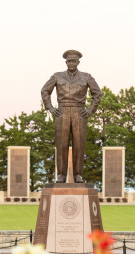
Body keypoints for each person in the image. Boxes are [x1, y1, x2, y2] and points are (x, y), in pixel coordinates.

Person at [41, 50, 102, 183]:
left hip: (79, 113)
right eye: (69, 61)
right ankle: (61, 175)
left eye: (74, 61)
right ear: (66, 62)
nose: (71, 63)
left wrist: (90, 109)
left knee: (79, 145)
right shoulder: (57, 76)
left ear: (78, 62)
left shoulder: (86, 77)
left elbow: (97, 93)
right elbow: (45, 91)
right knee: (61, 145)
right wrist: (50, 108)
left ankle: (78, 174)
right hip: (62, 112)